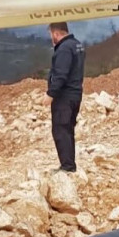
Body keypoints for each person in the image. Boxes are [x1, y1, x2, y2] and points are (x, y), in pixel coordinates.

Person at [46, 22, 85, 172]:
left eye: (51, 34)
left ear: (56, 33)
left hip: (64, 96)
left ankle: (67, 166)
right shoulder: (77, 45)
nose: (51, 38)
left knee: (61, 129)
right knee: (68, 129)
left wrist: (51, 93)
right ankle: (69, 164)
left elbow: (61, 74)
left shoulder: (64, 49)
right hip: (75, 93)